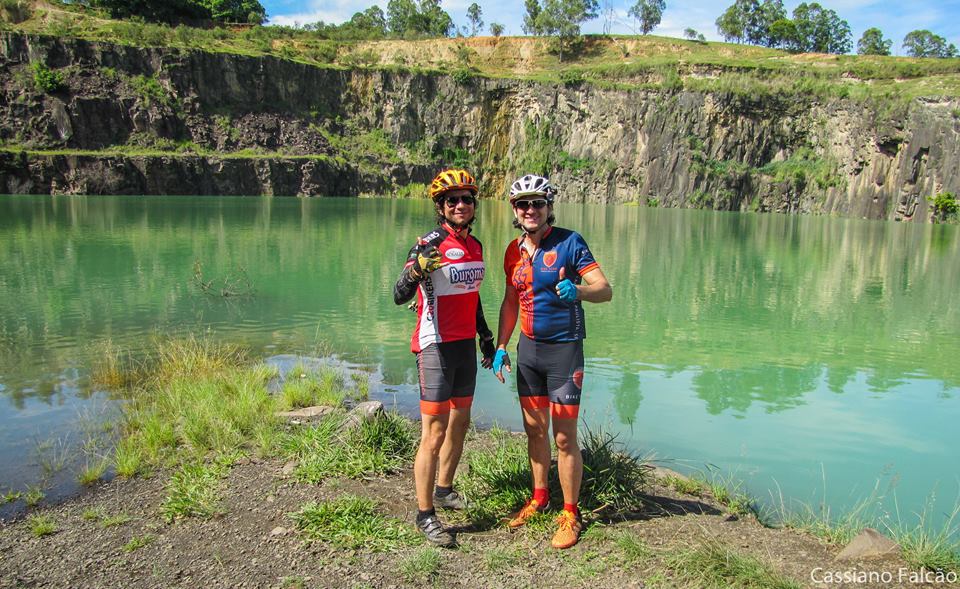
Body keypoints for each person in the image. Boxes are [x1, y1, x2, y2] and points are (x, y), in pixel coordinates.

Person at [492, 174, 612, 550]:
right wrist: (501, 346)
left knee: (563, 437)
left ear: (549, 207)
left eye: (537, 203)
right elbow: (511, 302)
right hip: (529, 352)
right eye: (523, 204)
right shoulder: (513, 250)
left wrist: (577, 290)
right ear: (515, 210)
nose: (530, 210)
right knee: (533, 430)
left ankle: (571, 513)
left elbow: (605, 290)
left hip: (563, 352)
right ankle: (540, 498)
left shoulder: (570, 243)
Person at [393, 168, 495, 547]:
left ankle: (444, 489)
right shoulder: (428, 243)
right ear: (440, 206)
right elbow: (398, 294)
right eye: (452, 200)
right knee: (432, 434)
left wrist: (485, 336)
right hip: (434, 345)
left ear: (474, 205)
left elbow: (472, 293)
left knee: (461, 422)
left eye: (467, 198)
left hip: (464, 345)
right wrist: (419, 269)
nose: (460, 205)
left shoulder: (477, 246)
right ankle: (425, 514)